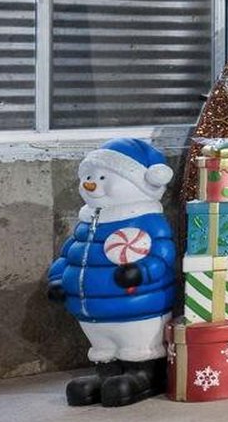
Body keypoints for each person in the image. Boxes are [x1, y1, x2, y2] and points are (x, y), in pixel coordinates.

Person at [49, 138, 180, 407]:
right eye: (88, 176)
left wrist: (141, 271)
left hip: (138, 310)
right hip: (91, 312)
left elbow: (162, 255)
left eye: (102, 177)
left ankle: (143, 372)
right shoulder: (89, 222)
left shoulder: (148, 222)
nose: (90, 183)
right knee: (104, 348)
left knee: (135, 345)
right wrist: (57, 280)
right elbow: (68, 255)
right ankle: (105, 373)